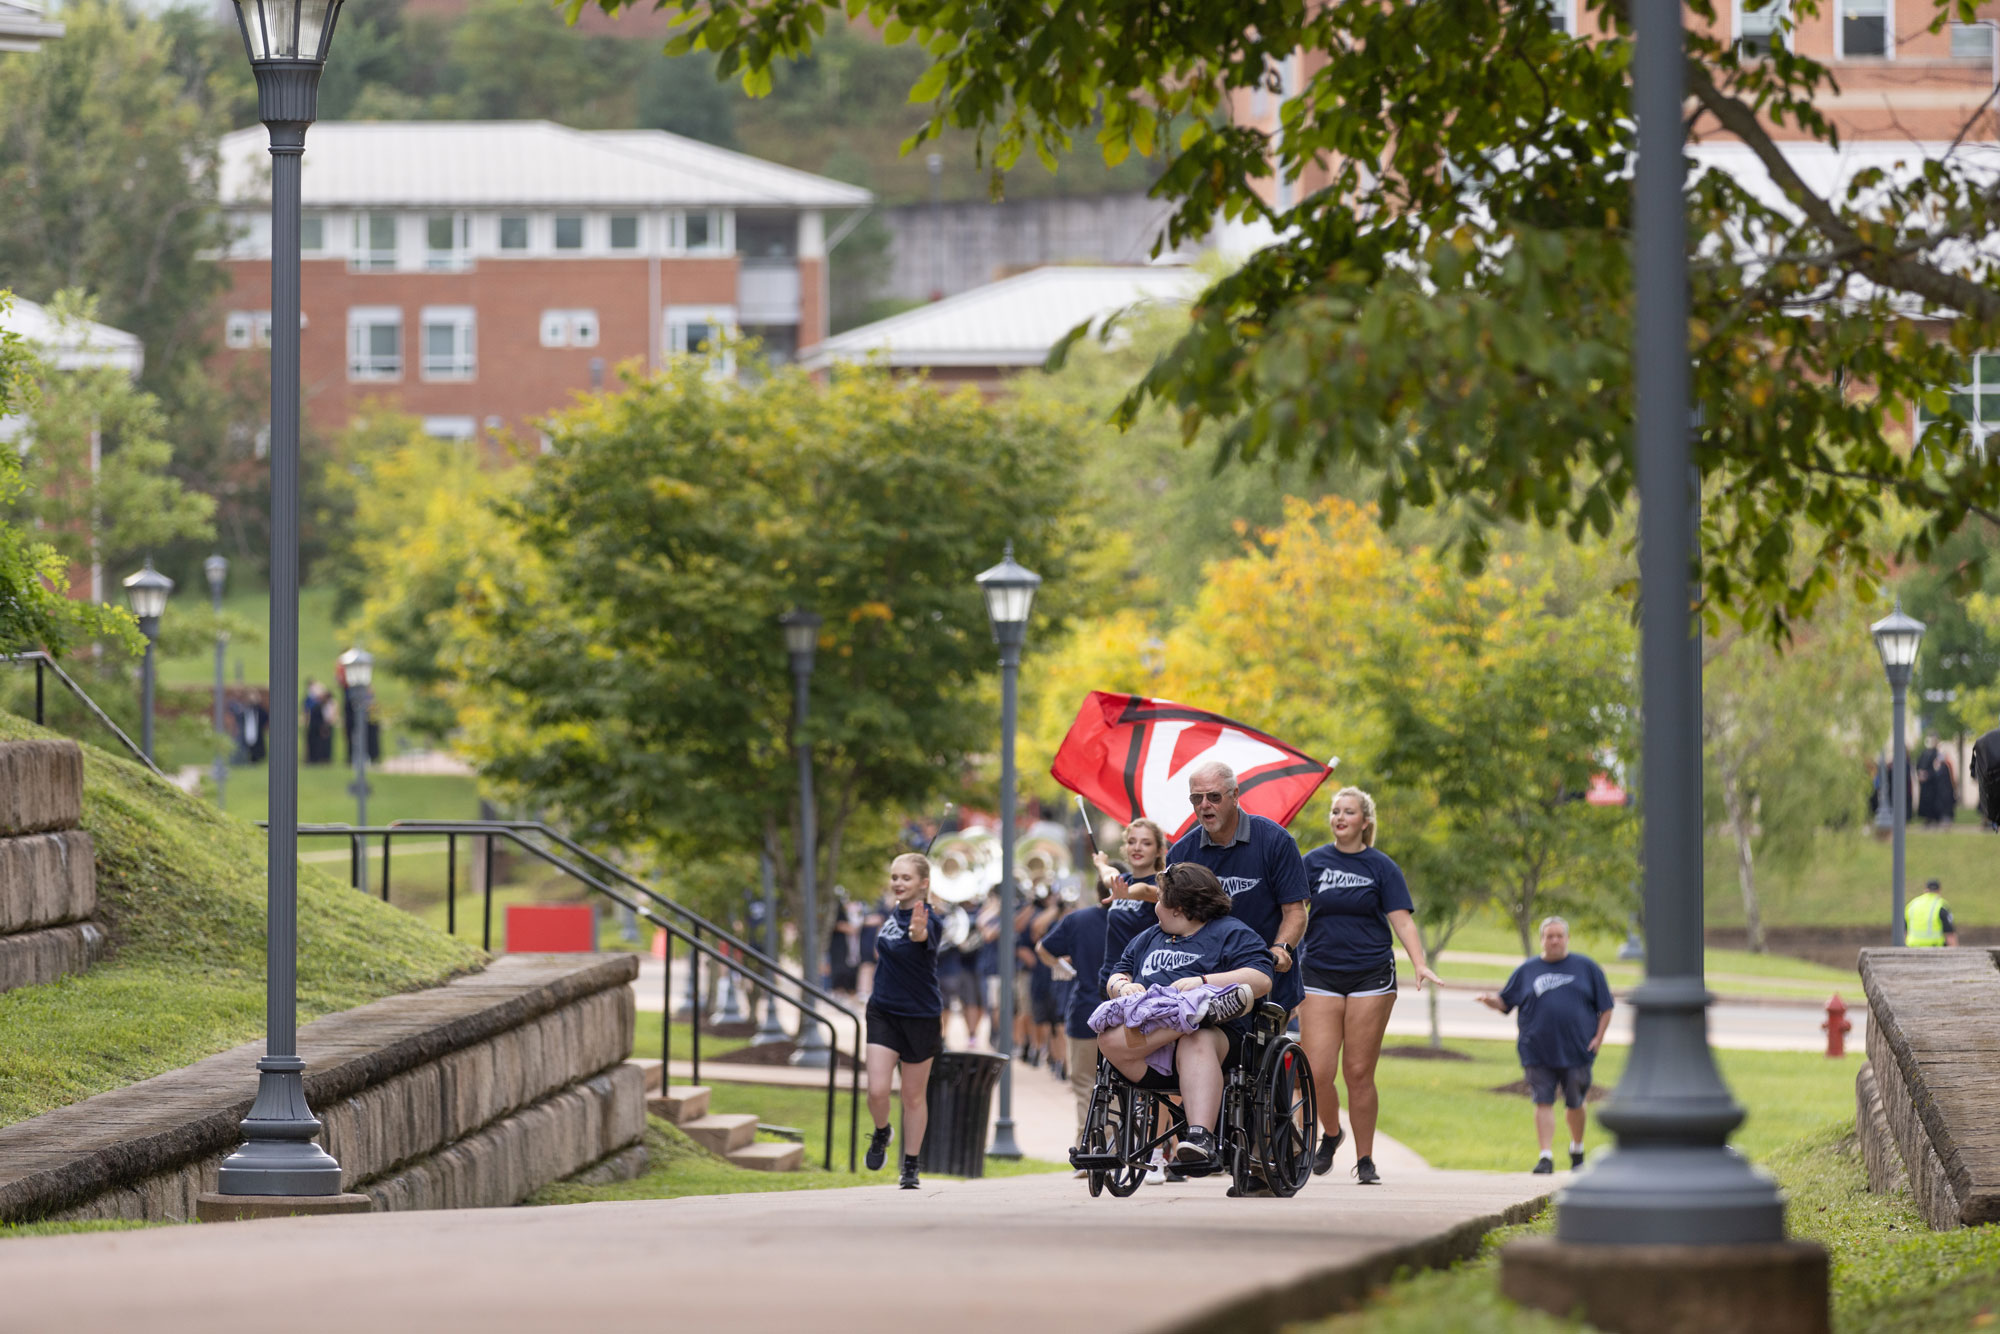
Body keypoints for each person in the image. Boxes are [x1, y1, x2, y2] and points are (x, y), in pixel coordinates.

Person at [1298, 787, 1443, 1185]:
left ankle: (1365, 1160)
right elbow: (1292, 910)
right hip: (1319, 972)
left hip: (1370, 975)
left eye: (1348, 812)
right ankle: (1331, 1134)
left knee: (1358, 1072)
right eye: (1335, 811)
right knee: (1317, 1071)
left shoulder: (1382, 867)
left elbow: (1402, 921)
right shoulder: (1312, 862)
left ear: (1365, 821)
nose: (1339, 818)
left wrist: (1420, 963)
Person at [1100, 863, 1271, 1168]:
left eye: (1159, 898)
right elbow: (1117, 973)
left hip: (1215, 1043)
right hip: (1151, 1045)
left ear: (1177, 909)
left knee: (1197, 1039)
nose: (1155, 905)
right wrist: (1123, 987)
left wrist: (1204, 982)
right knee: (1107, 1038)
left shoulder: (1231, 933)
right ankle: (1195, 1015)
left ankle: (1200, 1137)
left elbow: (1260, 979)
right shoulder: (1148, 938)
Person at [1160, 762, 1310, 1014]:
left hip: (1266, 978)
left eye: (1214, 796)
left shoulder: (1275, 841)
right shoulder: (1181, 853)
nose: (1204, 804)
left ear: (1235, 795)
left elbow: (1295, 911)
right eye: (1197, 798)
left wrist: (1281, 948)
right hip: (1203, 983)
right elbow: (1172, 918)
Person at [1476, 917, 1614, 1174]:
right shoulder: (1527, 970)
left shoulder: (1587, 968)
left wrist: (1599, 1038)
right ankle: (1545, 1156)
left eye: (1559, 936)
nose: (1554, 941)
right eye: (1549, 936)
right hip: (1536, 1049)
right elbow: (1505, 1002)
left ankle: (1577, 1150)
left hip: (1577, 1049)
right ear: (1542, 940)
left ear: (1567, 938)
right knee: (1543, 1100)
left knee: (1575, 1102)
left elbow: (1606, 1007)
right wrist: (1489, 1001)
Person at [862, 853, 944, 1189]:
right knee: (877, 1090)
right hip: (883, 1010)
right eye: (895, 877)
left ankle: (911, 1165)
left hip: (921, 1016)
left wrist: (918, 932)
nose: (898, 883)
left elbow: (923, 937)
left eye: (906, 878)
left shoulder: (931, 921)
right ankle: (882, 1132)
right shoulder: (892, 913)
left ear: (923, 883)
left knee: (912, 1096)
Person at [1038, 880, 1110, 1135]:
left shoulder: (1078, 919)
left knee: (1084, 1084)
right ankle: (1115, 1143)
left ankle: (1087, 1141)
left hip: (1085, 1009)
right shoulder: (1139, 920)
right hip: (1126, 1013)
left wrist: (1066, 969)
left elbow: (1043, 949)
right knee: (1123, 1088)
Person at [1906, 878, 1959, 947]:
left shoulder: (1912, 904)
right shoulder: (1941, 905)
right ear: (1939, 891)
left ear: (1925, 890)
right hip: (1935, 947)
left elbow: (1904, 929)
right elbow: (1949, 933)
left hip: (1912, 946)